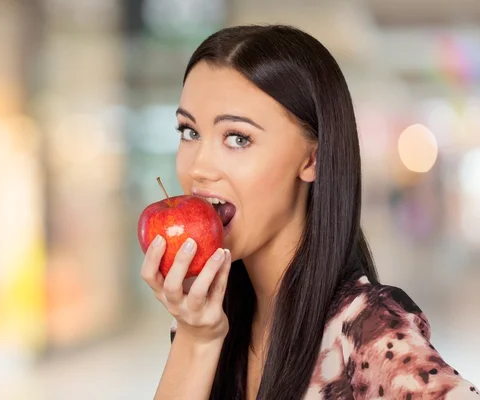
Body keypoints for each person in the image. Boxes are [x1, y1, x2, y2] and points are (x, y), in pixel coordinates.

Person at [140, 24, 479, 400]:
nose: (199, 166)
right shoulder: (211, 322)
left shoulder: (366, 329)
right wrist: (196, 336)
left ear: (312, 158)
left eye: (237, 138)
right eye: (189, 132)